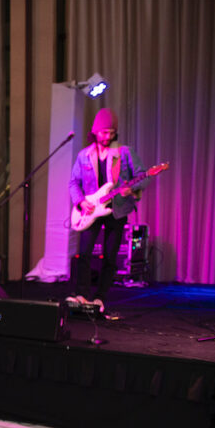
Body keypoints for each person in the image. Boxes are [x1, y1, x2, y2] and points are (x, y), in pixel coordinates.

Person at [68, 108, 146, 312]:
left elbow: (142, 175)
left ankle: (100, 297)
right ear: (95, 132)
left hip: (116, 210)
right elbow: (73, 183)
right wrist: (81, 201)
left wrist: (132, 189)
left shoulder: (124, 152)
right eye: (104, 132)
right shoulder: (84, 155)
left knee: (110, 257)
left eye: (111, 132)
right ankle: (82, 295)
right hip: (91, 209)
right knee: (84, 253)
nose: (108, 136)